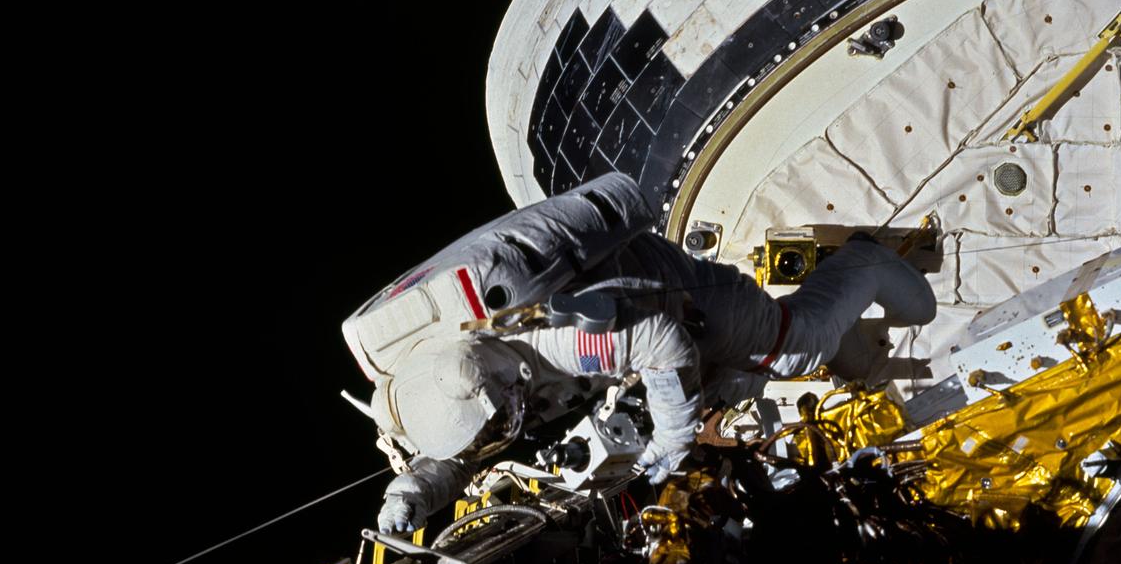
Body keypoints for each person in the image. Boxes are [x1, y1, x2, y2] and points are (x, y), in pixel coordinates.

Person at [364, 174, 935, 534]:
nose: (500, 430)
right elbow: (462, 448)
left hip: (680, 301)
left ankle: (861, 265)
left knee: (796, 350)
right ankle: (852, 347)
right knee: (734, 388)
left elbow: (664, 341)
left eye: (498, 417)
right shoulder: (425, 382)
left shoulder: (552, 336)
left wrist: (670, 442)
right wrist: (411, 492)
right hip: (642, 343)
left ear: (505, 377)